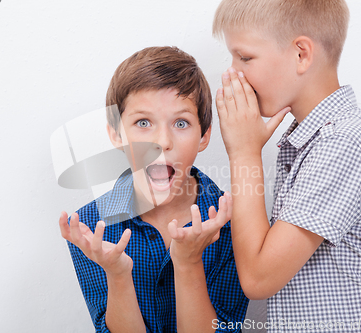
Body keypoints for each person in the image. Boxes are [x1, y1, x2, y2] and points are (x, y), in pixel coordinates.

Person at [211, 0, 361, 332]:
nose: (232, 72)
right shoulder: (316, 140)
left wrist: (244, 153)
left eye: (245, 57)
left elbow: (259, 278)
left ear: (302, 54)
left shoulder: (342, 144)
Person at [58, 46, 249, 333]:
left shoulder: (235, 222)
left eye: (181, 123)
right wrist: (118, 274)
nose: (162, 141)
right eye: (143, 123)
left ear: (204, 136)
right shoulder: (88, 229)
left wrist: (188, 262)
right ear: (116, 134)